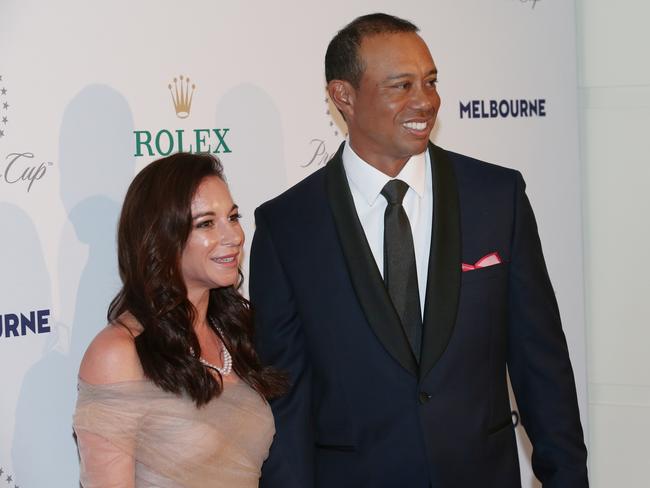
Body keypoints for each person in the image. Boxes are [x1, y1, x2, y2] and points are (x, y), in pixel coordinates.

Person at [250, 13, 588, 488]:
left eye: (430, 82)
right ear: (343, 96)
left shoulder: (496, 197)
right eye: (401, 85)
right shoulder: (287, 226)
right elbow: (285, 400)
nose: (425, 101)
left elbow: (542, 366)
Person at [73, 152, 286, 488]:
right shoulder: (118, 354)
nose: (233, 236)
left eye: (233, 217)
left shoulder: (234, 332)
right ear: (161, 238)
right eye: (206, 223)